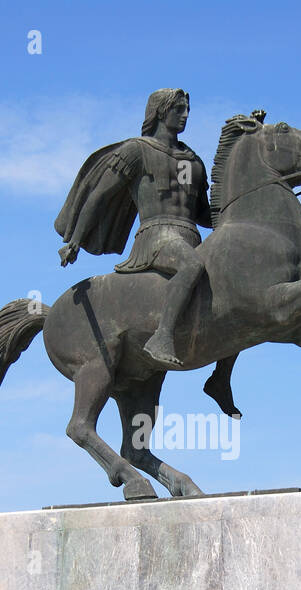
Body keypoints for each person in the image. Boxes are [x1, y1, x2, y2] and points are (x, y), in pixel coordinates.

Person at [55, 88, 244, 418]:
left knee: (240, 291)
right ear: (160, 112)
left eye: (188, 109)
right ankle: (161, 337)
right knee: (191, 266)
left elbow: (203, 213)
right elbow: (99, 197)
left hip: (191, 237)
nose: (185, 115)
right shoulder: (136, 151)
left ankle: (221, 378)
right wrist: (75, 240)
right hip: (156, 236)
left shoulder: (193, 161)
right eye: (179, 109)